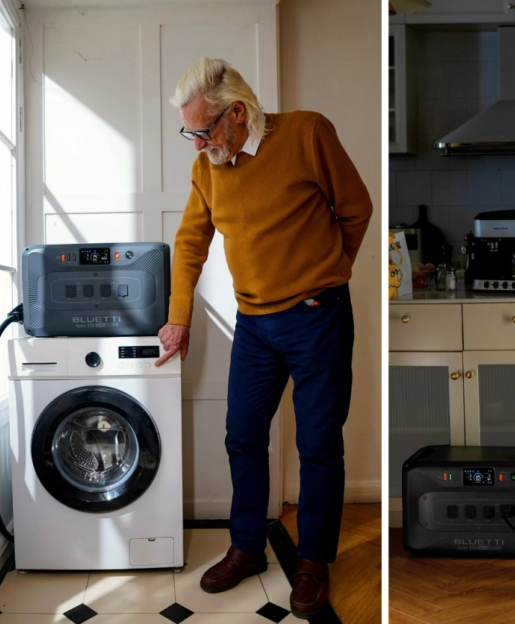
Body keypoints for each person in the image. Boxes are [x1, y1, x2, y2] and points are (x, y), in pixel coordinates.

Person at [155, 57, 372, 618]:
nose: (197, 144)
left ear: (236, 112)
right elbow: (190, 244)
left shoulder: (307, 133)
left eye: (203, 130)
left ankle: (313, 562)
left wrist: (330, 273)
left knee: (318, 444)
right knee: (243, 436)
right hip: (254, 323)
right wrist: (179, 317)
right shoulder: (207, 168)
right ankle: (248, 546)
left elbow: (356, 208)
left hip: (317, 317)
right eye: (189, 133)